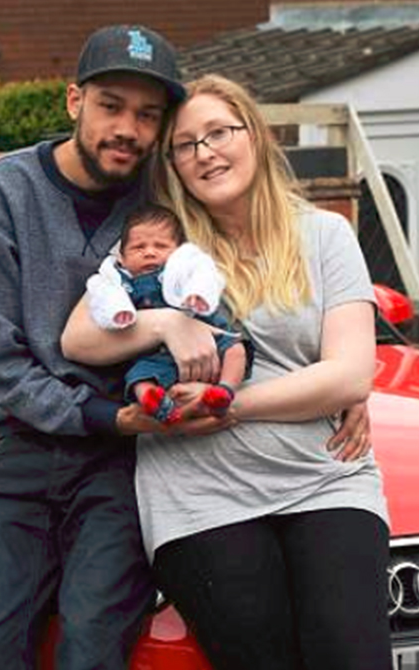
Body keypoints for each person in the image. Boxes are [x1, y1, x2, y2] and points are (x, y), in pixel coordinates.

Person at [62, 74, 390, 670]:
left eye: (219, 133)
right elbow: (80, 337)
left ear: (255, 136)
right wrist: (163, 323)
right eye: (186, 145)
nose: (205, 153)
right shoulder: (162, 245)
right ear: (174, 166)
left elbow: (348, 377)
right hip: (199, 495)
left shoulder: (325, 235)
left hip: (325, 476)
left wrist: (225, 405)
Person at [0, 24, 197, 670]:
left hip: (126, 461)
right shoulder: (2, 191)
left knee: (92, 650)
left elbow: (236, 302)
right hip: (24, 451)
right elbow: (4, 367)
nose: (128, 128)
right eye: (111, 106)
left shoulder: (170, 203)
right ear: (73, 102)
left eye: (147, 115)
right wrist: (102, 413)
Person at [86, 204, 248, 423]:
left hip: (205, 331)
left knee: (236, 350)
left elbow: (205, 274)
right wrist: (118, 311)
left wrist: (198, 293)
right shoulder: (118, 279)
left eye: (160, 246)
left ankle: (224, 391)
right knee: (138, 379)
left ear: (179, 251)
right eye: (138, 247)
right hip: (155, 352)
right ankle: (156, 404)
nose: (150, 252)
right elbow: (102, 295)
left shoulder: (184, 266)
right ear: (122, 258)